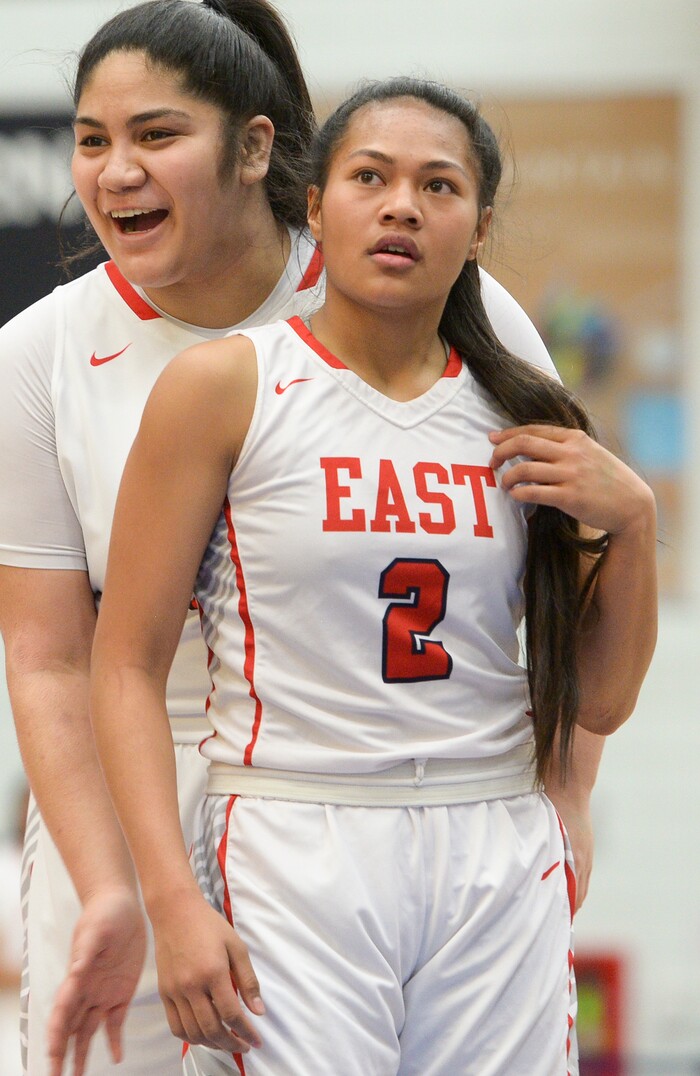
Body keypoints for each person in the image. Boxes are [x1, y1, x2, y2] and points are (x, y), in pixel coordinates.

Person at [0, 4, 600, 1072]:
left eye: (156, 136)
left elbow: (561, 569)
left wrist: (565, 785)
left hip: (383, 781)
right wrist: (111, 884)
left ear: (257, 152)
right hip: (137, 768)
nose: (116, 171)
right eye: (93, 141)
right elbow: (52, 654)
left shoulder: (433, 294)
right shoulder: (39, 352)